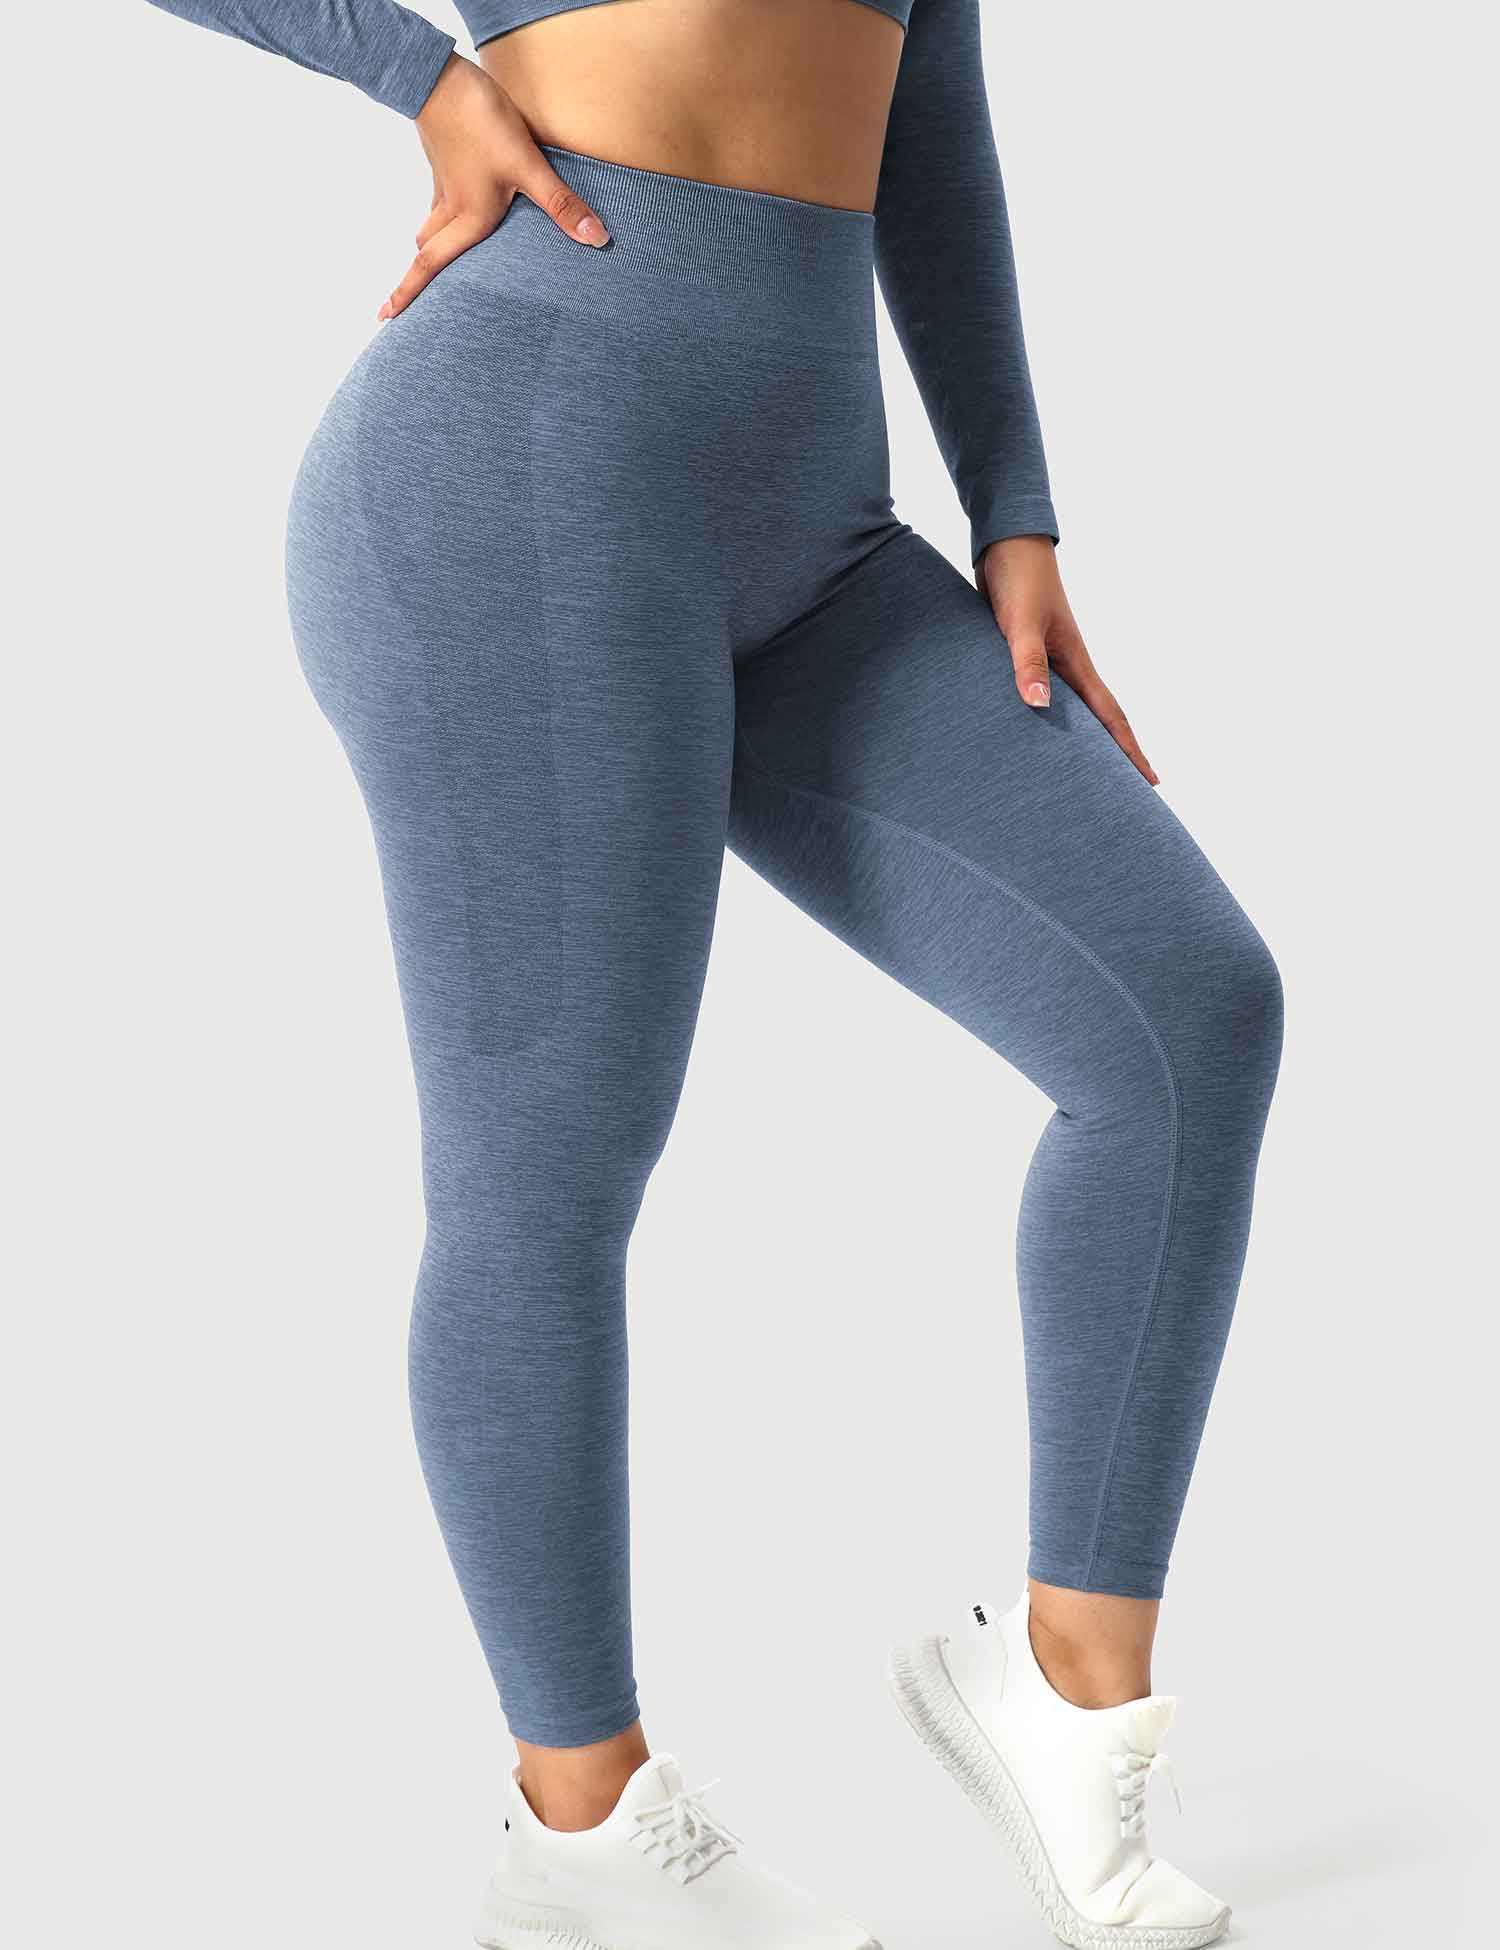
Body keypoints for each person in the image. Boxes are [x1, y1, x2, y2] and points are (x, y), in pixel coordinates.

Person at [144, 3, 1283, 1946]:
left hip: (821, 531)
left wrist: (1012, 501)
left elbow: (931, 122)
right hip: (523, 463)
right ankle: (583, 1834)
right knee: (550, 1164)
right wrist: (415, 75)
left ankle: (1065, 1687)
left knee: (1188, 1012)